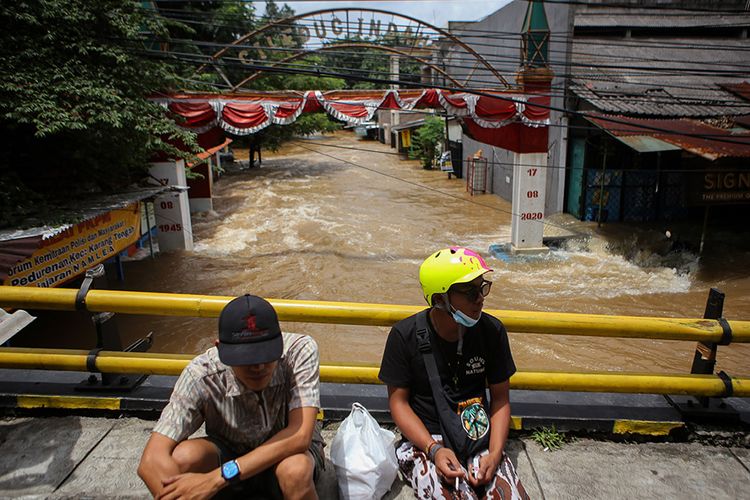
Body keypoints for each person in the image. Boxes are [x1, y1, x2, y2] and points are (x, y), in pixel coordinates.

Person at [138, 294, 324, 500]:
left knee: (296, 471)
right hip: (230, 449)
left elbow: (300, 436)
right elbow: (152, 459)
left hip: (285, 456)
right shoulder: (201, 374)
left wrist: (216, 479)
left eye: (266, 355)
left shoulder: (300, 351)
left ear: (280, 343)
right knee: (183, 457)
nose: (259, 367)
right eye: (247, 358)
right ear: (220, 349)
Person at [379, 247, 528, 499]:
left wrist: (493, 453)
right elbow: (399, 404)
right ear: (439, 299)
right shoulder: (404, 336)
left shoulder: (492, 331)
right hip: (426, 439)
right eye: (470, 292)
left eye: (482, 288)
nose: (480, 298)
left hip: (477, 436)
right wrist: (433, 449)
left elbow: (500, 400)